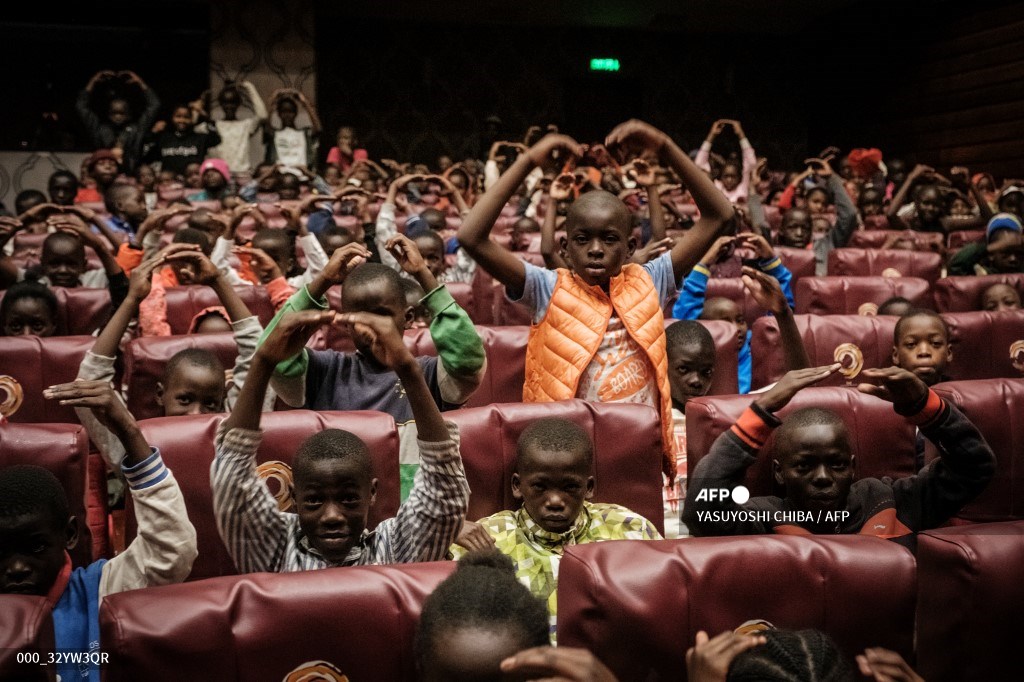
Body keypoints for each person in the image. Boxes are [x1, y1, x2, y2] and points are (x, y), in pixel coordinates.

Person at [458, 121, 734, 478]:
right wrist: (529, 160)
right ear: (565, 247)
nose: (596, 250)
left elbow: (720, 215)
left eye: (609, 239)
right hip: (566, 457)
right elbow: (472, 237)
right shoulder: (547, 287)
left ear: (631, 247)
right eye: (583, 239)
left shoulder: (650, 280)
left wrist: (665, 146)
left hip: (635, 449)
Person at [212, 305, 469, 571]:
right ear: (294, 497)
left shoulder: (392, 550)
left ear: (371, 493)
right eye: (313, 500)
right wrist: (263, 361)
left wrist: (408, 369)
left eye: (348, 499)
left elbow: (444, 493)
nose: (332, 516)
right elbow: (233, 481)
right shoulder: (276, 549)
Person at [2, 379, 196, 682]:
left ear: (69, 535)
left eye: (35, 547)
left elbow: (172, 551)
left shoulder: (100, 590)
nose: (15, 568)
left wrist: (129, 432)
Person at [260, 240, 485, 498]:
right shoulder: (326, 371)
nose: (370, 326)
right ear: (345, 324)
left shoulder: (429, 374)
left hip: (414, 515)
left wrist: (423, 274)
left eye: (381, 315)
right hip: (342, 512)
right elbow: (272, 355)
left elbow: (468, 360)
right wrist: (322, 280)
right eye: (357, 318)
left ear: (408, 318)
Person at [684, 363, 995, 537]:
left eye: (836, 465)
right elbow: (701, 513)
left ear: (853, 466)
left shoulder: (890, 500)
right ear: (779, 472)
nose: (823, 477)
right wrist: (760, 412)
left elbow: (974, 467)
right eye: (804, 466)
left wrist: (924, 407)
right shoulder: (763, 517)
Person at [452, 418, 661, 641]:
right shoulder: (487, 538)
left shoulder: (630, 529)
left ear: (588, 488)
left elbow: (662, 605)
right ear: (517, 486)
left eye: (570, 487)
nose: (554, 501)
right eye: (540, 486)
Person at [72, 245, 269, 471]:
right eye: (184, 400)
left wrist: (218, 281)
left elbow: (259, 358)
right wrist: (132, 299)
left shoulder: (233, 439)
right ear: (160, 395)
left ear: (224, 400)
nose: (196, 414)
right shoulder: (134, 444)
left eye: (210, 404)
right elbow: (89, 381)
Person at [673, 234, 795, 393]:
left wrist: (771, 260)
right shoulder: (693, 350)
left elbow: (783, 315)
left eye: (740, 320)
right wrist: (705, 262)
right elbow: (683, 320)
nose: (736, 328)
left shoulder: (755, 346)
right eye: (725, 322)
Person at [76, 70, 160, 173]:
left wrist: (140, 83)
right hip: (105, 175)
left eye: (121, 113)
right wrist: (92, 82)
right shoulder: (100, 130)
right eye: (114, 113)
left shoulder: (136, 129)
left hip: (131, 175)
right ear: (108, 114)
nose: (118, 117)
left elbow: (154, 105)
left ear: (129, 115)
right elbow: (82, 107)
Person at [208, 81, 268, 182]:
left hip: (242, 174)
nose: (229, 106)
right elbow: (192, 124)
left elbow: (262, 116)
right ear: (221, 104)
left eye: (233, 102)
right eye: (226, 102)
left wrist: (250, 88)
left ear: (238, 104)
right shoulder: (214, 125)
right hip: (220, 175)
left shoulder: (245, 125)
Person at [148, 102, 222, 176]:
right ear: (172, 118)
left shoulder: (199, 138)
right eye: (178, 116)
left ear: (191, 119)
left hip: (193, 183)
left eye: (186, 117)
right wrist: (153, 132)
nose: (182, 120)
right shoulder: (163, 138)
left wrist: (205, 117)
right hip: (169, 183)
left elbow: (216, 140)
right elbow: (148, 154)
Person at [694, 119, 757, 204]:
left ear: (739, 178)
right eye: (726, 176)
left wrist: (741, 134)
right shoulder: (716, 187)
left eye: (733, 176)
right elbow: (699, 165)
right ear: (721, 177)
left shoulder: (742, 187)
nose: (729, 180)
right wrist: (712, 135)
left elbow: (751, 162)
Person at [948, 213, 1023, 276]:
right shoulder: (982, 273)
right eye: (1006, 253)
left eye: (1018, 253)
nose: (1013, 259)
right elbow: (955, 266)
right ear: (991, 255)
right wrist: (987, 248)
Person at [892, 308, 952, 387]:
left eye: (935, 343)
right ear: (896, 355)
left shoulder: (958, 394)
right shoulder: (884, 396)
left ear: (948, 353)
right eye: (911, 344)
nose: (924, 352)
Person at [265, 88, 321, 168]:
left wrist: (304, 102)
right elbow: (266, 124)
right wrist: (274, 98)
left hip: (302, 175)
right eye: (284, 111)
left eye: (290, 111)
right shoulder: (274, 133)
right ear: (279, 114)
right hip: (279, 174)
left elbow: (317, 128)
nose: (287, 115)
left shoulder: (304, 133)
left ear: (295, 113)